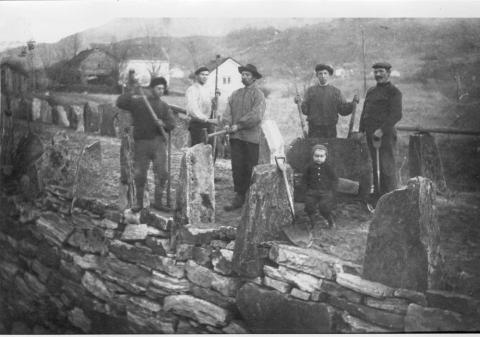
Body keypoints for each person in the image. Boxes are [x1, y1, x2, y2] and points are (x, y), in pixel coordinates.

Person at [116, 76, 176, 212]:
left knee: (162, 173)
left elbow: (172, 124)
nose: (161, 91)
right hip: (141, 143)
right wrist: (131, 91)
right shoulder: (139, 103)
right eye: (158, 88)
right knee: (140, 174)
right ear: (151, 89)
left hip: (158, 143)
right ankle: (139, 203)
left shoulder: (164, 106)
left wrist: (163, 124)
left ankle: (159, 202)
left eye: (162, 89)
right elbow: (120, 102)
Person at [220, 64, 266, 211]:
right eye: (243, 74)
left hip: (251, 138)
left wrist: (239, 125)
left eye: (247, 75)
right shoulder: (235, 94)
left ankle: (250, 197)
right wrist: (227, 124)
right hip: (236, 138)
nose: (244, 77)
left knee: (250, 167)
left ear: (253, 77)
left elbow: (256, 115)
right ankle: (239, 196)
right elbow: (228, 110)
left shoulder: (258, 95)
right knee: (237, 167)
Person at [359, 62, 402, 199]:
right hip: (370, 134)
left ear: (388, 73)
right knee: (375, 165)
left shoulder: (394, 92)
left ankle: (390, 197)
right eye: (376, 72)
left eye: (381, 71)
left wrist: (382, 131)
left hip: (385, 135)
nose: (378, 74)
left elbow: (396, 115)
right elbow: (365, 111)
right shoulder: (371, 91)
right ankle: (378, 195)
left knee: (386, 167)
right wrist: (361, 130)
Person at [294, 64, 359, 138]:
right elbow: (305, 110)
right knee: (314, 149)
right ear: (317, 75)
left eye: (325, 73)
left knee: (330, 149)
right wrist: (299, 102)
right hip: (314, 130)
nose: (323, 76)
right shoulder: (310, 91)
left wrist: (353, 104)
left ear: (329, 75)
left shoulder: (336, 92)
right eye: (320, 73)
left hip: (330, 130)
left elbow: (343, 110)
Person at [302, 144, 339, 229]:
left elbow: (335, 179)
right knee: (309, 206)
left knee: (324, 208)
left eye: (321, 156)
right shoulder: (309, 167)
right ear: (312, 156)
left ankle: (330, 221)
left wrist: (332, 190)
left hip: (325, 192)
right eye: (316, 156)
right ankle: (313, 224)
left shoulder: (329, 167)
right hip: (312, 191)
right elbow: (304, 179)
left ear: (325, 157)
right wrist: (305, 190)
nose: (319, 158)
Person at [185, 66, 219, 146]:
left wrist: (216, 98)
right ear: (197, 76)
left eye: (207, 75)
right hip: (197, 125)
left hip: (208, 124)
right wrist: (207, 120)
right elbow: (193, 109)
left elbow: (211, 106)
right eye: (202, 74)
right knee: (198, 149)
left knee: (208, 148)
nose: (205, 77)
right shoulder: (192, 89)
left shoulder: (207, 90)